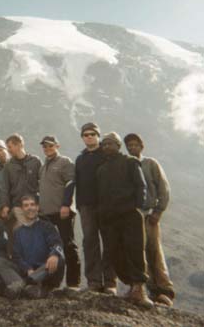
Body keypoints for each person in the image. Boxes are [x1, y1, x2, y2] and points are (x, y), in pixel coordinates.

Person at [97, 132, 153, 307]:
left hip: (130, 215)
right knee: (114, 252)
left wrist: (137, 207)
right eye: (104, 144)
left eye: (110, 144)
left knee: (135, 251)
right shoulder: (101, 170)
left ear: (118, 145)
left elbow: (141, 185)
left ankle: (139, 289)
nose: (107, 147)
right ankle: (130, 286)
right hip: (110, 218)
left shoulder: (130, 162)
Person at [124, 133, 174, 306]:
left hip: (150, 214)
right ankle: (144, 289)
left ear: (141, 146)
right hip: (134, 216)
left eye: (135, 145)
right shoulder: (127, 165)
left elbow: (164, 189)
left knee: (154, 250)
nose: (132, 148)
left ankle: (164, 290)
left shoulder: (151, 164)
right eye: (129, 145)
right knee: (138, 252)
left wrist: (158, 211)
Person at [0, 195, 65, 299]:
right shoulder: (18, 232)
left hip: (45, 271)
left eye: (32, 205)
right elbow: (16, 256)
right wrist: (27, 268)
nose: (30, 208)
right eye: (26, 206)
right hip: (27, 271)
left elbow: (57, 243)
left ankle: (23, 285)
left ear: (37, 207)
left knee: (59, 259)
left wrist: (54, 255)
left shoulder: (47, 226)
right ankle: (28, 289)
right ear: (22, 210)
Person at [74, 122, 116, 293]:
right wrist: (79, 205)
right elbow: (76, 182)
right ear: (83, 138)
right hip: (86, 207)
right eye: (86, 134)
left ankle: (111, 282)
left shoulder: (107, 155)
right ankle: (94, 281)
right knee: (89, 242)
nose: (89, 136)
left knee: (109, 242)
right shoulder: (80, 158)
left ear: (98, 136)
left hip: (106, 206)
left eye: (92, 134)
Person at [38, 135, 81, 290]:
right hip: (46, 213)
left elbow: (71, 183)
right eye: (45, 146)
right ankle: (52, 282)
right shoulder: (43, 166)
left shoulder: (65, 162)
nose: (47, 148)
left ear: (57, 146)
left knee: (68, 244)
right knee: (50, 247)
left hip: (62, 211)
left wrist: (66, 205)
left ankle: (73, 283)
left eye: (50, 146)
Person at [0, 134, 42, 228]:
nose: (8, 150)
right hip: (17, 205)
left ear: (19, 145)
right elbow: (5, 187)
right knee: (24, 229)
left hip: (34, 205)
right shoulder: (8, 165)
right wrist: (5, 205)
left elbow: (42, 183)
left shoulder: (35, 161)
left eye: (10, 147)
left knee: (35, 230)